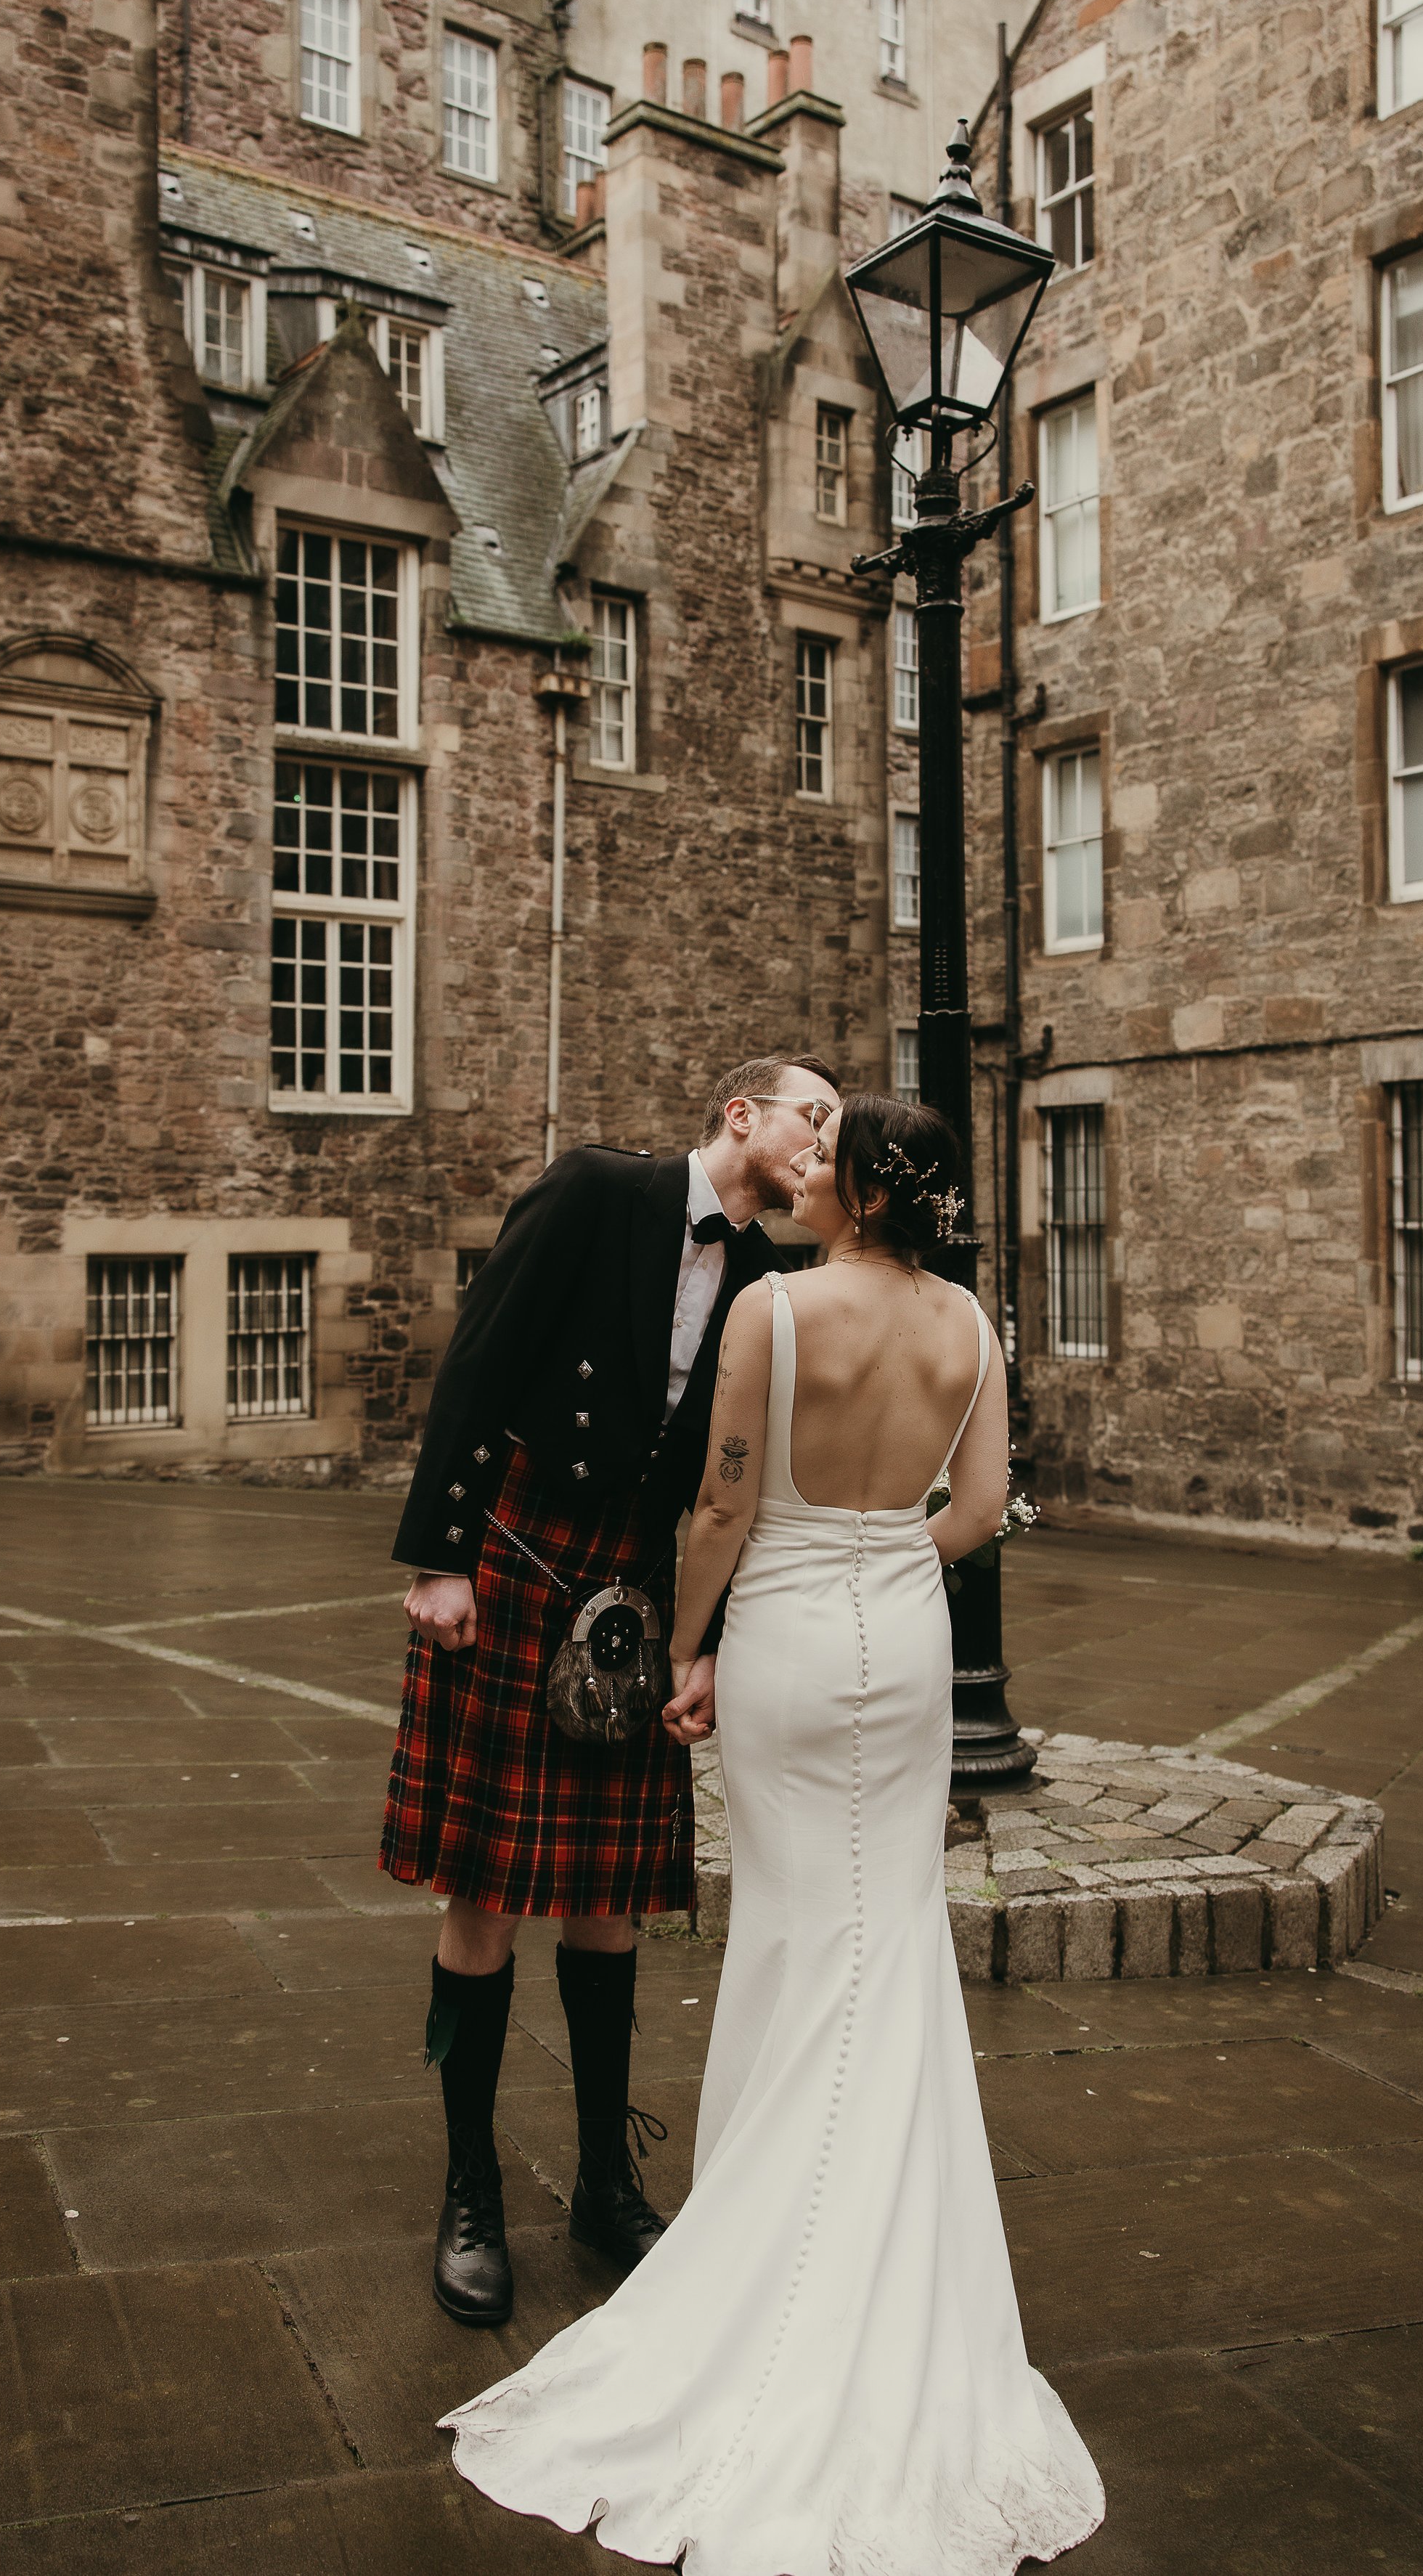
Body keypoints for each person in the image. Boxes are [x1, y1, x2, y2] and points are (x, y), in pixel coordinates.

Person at [438, 1093, 1106, 2573]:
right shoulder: (974, 1330)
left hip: (791, 1636)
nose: (800, 1176)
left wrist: (689, 1649)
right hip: (903, 1632)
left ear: (858, 1190)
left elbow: (722, 1514)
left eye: (823, 1161)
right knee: (890, 1936)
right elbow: (982, 1502)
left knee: (798, 1936)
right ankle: (891, 2265)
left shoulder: (774, 1312)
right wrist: (883, 1558)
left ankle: (762, 2265)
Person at [380, 1053, 843, 2327]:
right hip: (521, 1559)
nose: (826, 1138)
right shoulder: (597, 1190)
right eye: (816, 1113)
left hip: (634, 1598)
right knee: (483, 1890)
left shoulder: (774, 1279)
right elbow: (482, 1353)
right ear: (742, 1114)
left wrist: (707, 1645)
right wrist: (443, 1556)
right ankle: (471, 2184)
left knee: (613, 1900)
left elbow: (733, 1489)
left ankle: (599, 2177)